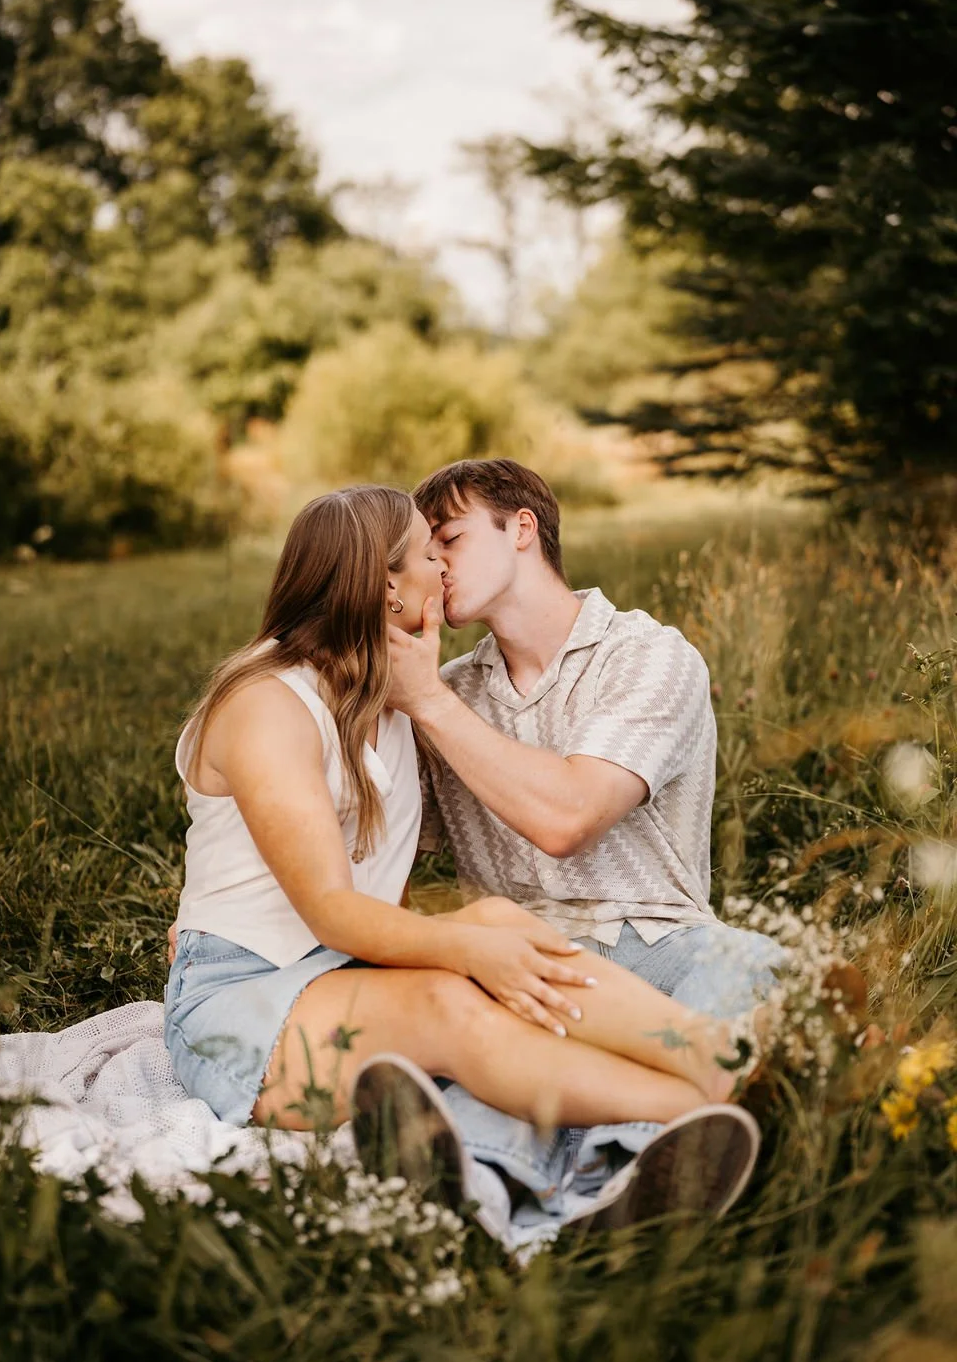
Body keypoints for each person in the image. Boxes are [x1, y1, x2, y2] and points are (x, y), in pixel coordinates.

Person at [164, 484, 761, 1235]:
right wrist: (470, 951)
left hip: (339, 977)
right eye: (429, 553)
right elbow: (330, 907)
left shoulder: (393, 702)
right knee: (457, 993)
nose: (443, 573)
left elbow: (394, 895)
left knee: (499, 924)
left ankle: (730, 1053)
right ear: (386, 587)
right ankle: (706, 1107)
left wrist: (482, 940)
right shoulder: (268, 704)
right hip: (244, 1003)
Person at [381, 457, 785, 1226]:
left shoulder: (650, 657)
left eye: (450, 540)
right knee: (494, 1033)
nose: (433, 565)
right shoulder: (448, 692)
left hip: (660, 944)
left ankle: (632, 1169)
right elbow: (382, 856)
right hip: (524, 956)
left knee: (753, 964)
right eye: (424, 551)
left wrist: (427, 702)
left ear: (523, 530)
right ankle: (481, 1185)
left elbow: (569, 819)